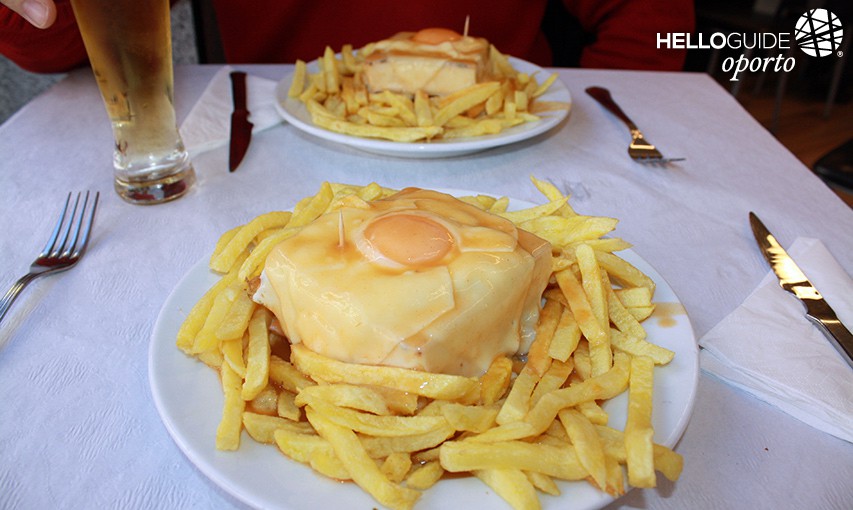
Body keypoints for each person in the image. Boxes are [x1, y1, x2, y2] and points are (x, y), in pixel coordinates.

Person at [1, 0, 694, 74]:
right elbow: (54, 44)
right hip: (280, 149)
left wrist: (601, 112)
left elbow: (652, 16)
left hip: (515, 149)